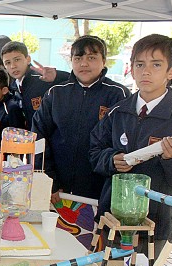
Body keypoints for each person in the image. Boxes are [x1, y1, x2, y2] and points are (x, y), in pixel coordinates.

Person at [90, 34, 172, 256]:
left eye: (156, 64)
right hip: (112, 220)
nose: (146, 71)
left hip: (154, 225)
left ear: (171, 71)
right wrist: (111, 160)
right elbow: (94, 152)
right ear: (131, 69)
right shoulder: (117, 112)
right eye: (140, 64)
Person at [32, 35, 130, 204]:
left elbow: (123, 144)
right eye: (78, 58)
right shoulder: (56, 93)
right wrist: (49, 180)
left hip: (99, 191)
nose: (84, 64)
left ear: (104, 61)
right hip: (57, 190)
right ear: (71, 61)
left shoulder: (118, 95)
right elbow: (38, 136)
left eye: (92, 58)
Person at [1, 41, 70, 129]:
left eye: (17, 60)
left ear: (28, 59)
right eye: (7, 63)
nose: (13, 66)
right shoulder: (13, 86)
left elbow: (72, 81)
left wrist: (56, 76)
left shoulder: (43, 78)